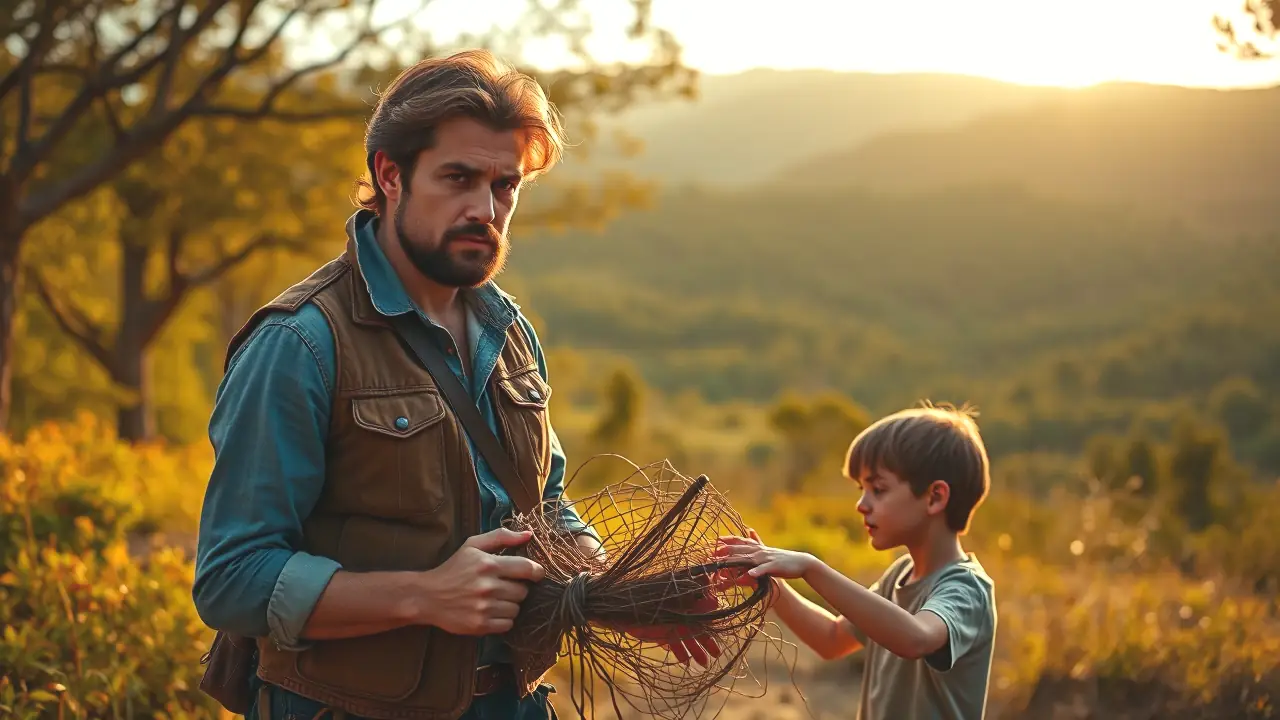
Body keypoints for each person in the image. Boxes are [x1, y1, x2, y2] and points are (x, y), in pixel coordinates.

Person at [192, 49, 715, 720]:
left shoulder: (508, 331)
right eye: (459, 178)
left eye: (505, 186)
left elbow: (543, 505)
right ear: (391, 175)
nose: (486, 208)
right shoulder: (300, 344)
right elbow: (232, 578)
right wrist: (424, 594)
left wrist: (607, 592)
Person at [716, 403, 997, 720]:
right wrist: (768, 582)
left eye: (878, 489)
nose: (862, 505)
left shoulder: (966, 588)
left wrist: (811, 567)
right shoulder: (899, 576)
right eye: (862, 489)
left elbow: (917, 638)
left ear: (935, 497)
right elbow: (832, 640)